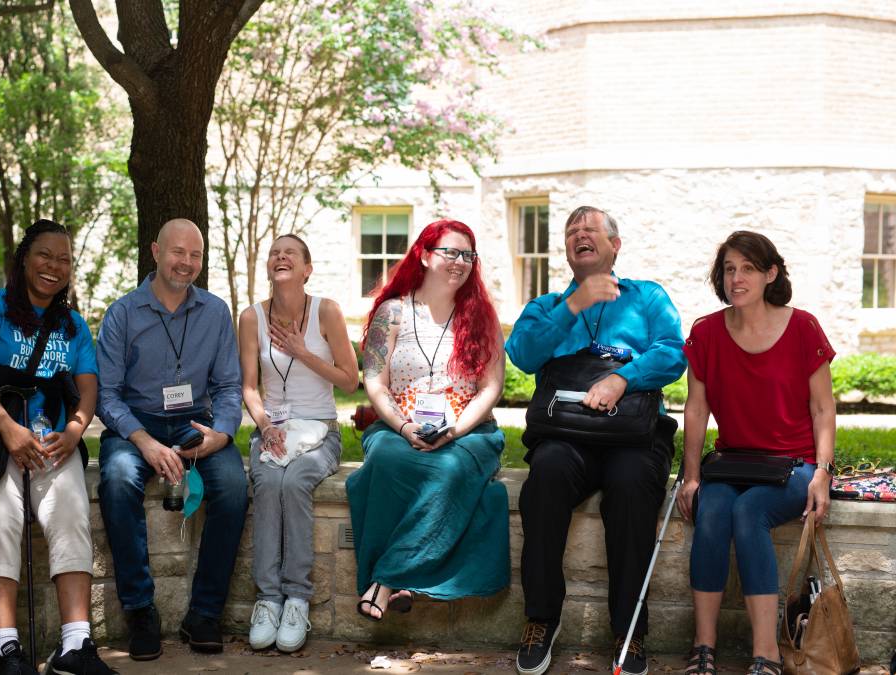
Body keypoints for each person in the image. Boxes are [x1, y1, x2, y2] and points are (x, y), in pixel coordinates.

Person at [507, 206, 686, 675]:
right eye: (572, 231)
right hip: (566, 437)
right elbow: (523, 356)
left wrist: (623, 379)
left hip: (633, 436)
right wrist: (575, 304)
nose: (580, 235)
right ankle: (541, 619)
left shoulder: (647, 297)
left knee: (630, 488)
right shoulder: (545, 307)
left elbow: (673, 353)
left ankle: (630, 631)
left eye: (590, 230)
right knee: (544, 477)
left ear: (614, 246)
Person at [0, 220, 112, 675]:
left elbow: (87, 391)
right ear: (24, 258)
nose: (54, 267)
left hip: (53, 446)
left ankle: (75, 646)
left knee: (72, 515)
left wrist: (76, 429)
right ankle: (7, 648)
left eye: (64, 260)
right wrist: (7, 428)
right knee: (0, 519)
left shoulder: (72, 325)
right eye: (45, 255)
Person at [676, 231, 835, 675]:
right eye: (729, 269)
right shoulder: (706, 332)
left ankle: (765, 653)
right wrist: (691, 476)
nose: (736, 278)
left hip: (796, 465)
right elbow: (697, 407)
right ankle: (703, 646)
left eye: (747, 268)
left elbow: (823, 407)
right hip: (733, 461)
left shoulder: (803, 326)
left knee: (748, 513)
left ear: (770, 274)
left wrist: (822, 472)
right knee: (712, 510)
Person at [95, 218, 247, 660]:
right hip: (136, 424)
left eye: (195, 254)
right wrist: (143, 441)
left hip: (194, 423)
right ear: (156, 252)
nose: (186, 262)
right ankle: (141, 610)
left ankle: (204, 613)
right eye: (178, 252)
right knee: (119, 480)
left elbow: (228, 387)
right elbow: (106, 394)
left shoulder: (215, 312)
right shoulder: (123, 313)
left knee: (235, 488)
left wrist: (221, 434)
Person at [347, 219, 509, 622]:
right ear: (423, 254)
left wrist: (454, 429)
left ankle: (385, 579)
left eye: (467, 254)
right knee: (387, 460)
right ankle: (406, 577)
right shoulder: (392, 312)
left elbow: (491, 389)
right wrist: (404, 427)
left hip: (469, 429)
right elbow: (375, 381)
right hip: (398, 424)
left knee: (450, 467)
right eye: (449, 252)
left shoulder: (481, 317)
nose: (459, 262)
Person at [239, 234, 359, 652]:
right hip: (273, 430)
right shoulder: (251, 318)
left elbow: (350, 379)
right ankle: (268, 600)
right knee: (269, 483)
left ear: (307, 269)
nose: (280, 256)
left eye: (290, 252)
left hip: (321, 432)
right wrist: (265, 425)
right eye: (274, 252)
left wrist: (301, 351)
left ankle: (297, 599)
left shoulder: (326, 311)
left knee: (294, 482)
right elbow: (249, 388)